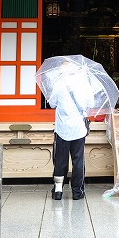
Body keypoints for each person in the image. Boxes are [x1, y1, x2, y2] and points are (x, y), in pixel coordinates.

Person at [48, 61, 94, 201]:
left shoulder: (58, 84)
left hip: (62, 129)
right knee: (78, 160)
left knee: (60, 160)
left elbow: (52, 104)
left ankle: (58, 190)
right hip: (78, 128)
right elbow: (91, 103)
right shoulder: (83, 84)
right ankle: (77, 191)